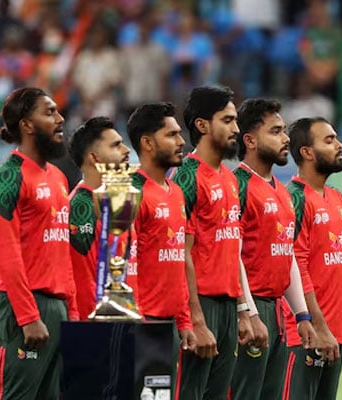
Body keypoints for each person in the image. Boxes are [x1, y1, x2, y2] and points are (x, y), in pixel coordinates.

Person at [0, 87, 77, 399]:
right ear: (26, 124)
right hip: (22, 311)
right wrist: (28, 317)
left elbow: (62, 254)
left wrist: (72, 314)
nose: (60, 118)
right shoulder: (8, 176)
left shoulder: (59, 178)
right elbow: (7, 255)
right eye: (49, 112)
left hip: (57, 308)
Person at [171, 86, 260, 400]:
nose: (236, 128)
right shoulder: (186, 176)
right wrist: (195, 318)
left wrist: (242, 311)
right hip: (201, 305)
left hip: (226, 307)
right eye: (228, 120)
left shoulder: (229, 177)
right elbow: (180, 252)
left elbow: (231, 249)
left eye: (236, 120)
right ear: (202, 125)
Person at [229, 98, 316, 400]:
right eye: (276, 131)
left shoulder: (281, 190)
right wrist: (249, 313)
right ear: (250, 140)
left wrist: (301, 315)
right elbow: (231, 253)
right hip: (250, 308)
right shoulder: (237, 185)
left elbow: (286, 252)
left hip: (278, 310)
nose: (286, 138)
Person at [282, 117, 342, 400]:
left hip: (334, 333)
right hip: (305, 335)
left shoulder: (336, 197)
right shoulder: (294, 198)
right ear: (306, 152)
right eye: (329, 140)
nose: (339, 145)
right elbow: (296, 265)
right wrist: (318, 326)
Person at [126, 102, 196, 385]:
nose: (181, 142)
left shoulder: (176, 192)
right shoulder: (130, 190)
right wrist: (137, 323)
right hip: (145, 324)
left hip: (170, 326)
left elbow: (177, 263)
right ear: (147, 143)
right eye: (172, 135)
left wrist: (185, 321)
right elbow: (124, 266)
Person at [67, 116, 137, 320]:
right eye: (116, 146)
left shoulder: (119, 203)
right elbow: (85, 281)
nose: (126, 151)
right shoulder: (81, 206)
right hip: (98, 327)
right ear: (95, 158)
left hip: (124, 320)